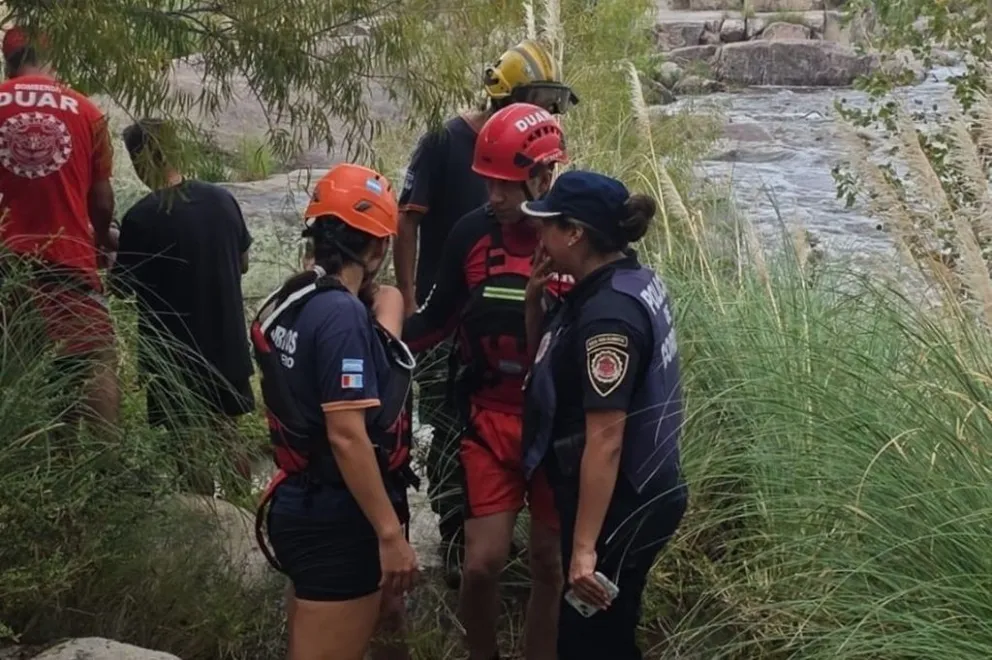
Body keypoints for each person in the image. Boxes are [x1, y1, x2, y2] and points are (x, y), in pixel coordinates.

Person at [395, 38, 579, 587]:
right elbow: (407, 219)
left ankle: (520, 544)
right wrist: (406, 298)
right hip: (449, 306)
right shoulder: (445, 144)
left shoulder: (541, 182)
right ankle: (457, 535)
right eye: (534, 99)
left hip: (511, 326)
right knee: (452, 424)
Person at [252, 163, 420, 660]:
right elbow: (347, 435)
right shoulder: (343, 315)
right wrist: (390, 534)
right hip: (335, 513)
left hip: (302, 500)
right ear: (378, 248)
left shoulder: (295, 295)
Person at [520, 171, 689, 660]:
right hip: (642, 490)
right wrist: (534, 304)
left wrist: (584, 548)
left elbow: (607, 438)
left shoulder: (608, 316)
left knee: (589, 641)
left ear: (575, 232)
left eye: (547, 224)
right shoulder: (627, 281)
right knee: (606, 631)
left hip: (620, 504)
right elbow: (551, 371)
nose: (539, 235)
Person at [110, 119, 256, 492]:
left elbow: (124, 287)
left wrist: (111, 248)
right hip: (226, 339)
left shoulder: (141, 217)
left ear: (141, 163)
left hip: (173, 354)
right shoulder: (221, 200)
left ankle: (208, 516)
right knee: (229, 432)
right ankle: (244, 511)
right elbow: (243, 263)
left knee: (186, 440)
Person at [0, 25, 118, 429]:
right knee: (93, 357)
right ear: (52, 56)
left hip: (8, 264)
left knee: (18, 368)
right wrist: (100, 241)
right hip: (70, 261)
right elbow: (102, 202)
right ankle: (109, 469)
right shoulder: (87, 112)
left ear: (8, 62)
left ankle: (33, 468)